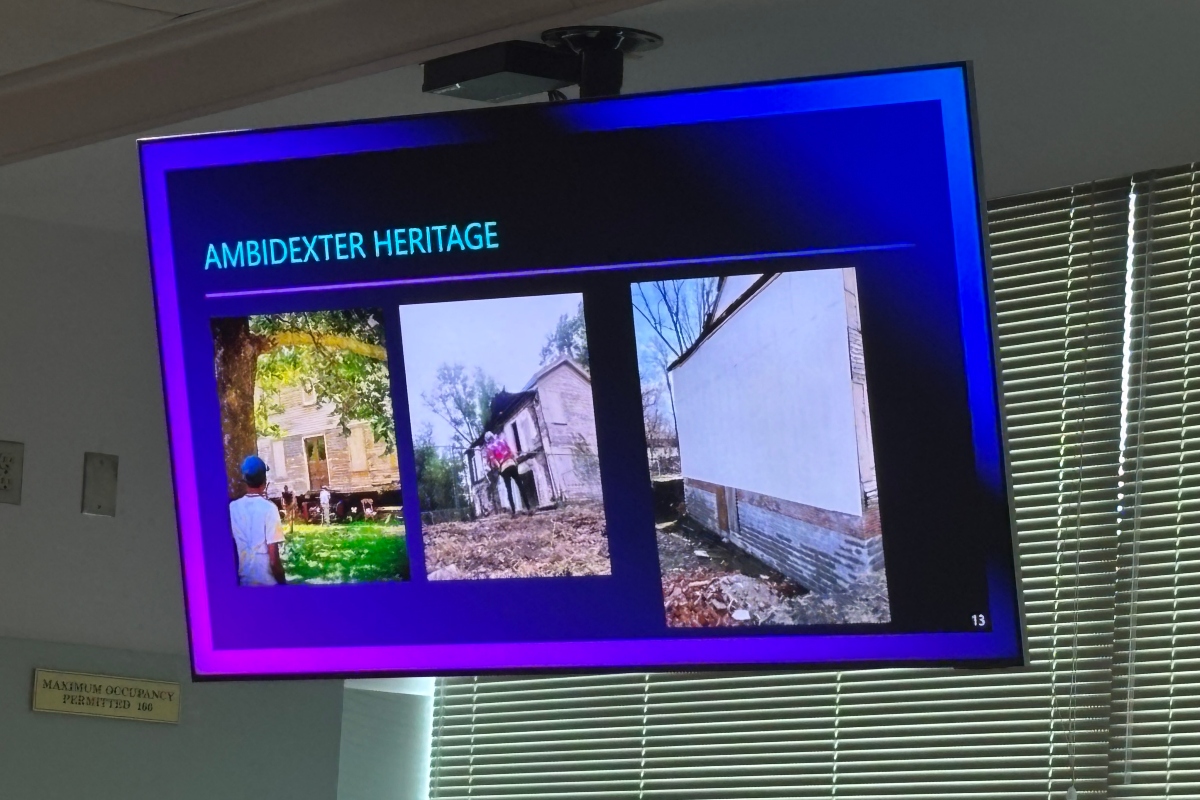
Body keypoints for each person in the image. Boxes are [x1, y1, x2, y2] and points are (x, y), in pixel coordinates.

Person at [229, 455, 286, 586]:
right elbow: (274, 561)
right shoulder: (269, 509)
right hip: (267, 584)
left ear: (244, 480)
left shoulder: (232, 508)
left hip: (244, 584)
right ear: (264, 481)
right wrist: (283, 585)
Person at [484, 431, 524, 514]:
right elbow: (510, 451)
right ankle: (526, 507)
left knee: (509, 489)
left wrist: (499, 468)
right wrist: (515, 460)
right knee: (519, 485)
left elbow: (494, 460)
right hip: (511, 463)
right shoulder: (501, 441)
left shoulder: (490, 447)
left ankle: (513, 511)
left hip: (504, 466)